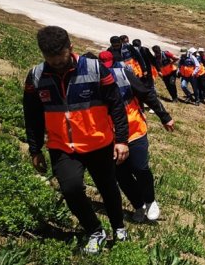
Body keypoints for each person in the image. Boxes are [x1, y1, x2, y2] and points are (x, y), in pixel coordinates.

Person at [23, 26, 130, 254]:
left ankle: (119, 227)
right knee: (70, 189)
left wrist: (121, 140)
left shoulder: (95, 69)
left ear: (70, 48)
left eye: (60, 58)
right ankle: (95, 230)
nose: (56, 63)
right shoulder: (36, 76)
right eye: (50, 59)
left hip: (98, 143)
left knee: (108, 188)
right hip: (62, 147)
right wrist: (35, 149)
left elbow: (117, 106)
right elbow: (31, 115)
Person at [99, 51, 174, 223]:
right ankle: (138, 205)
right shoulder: (92, 82)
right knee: (122, 175)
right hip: (111, 138)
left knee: (140, 168)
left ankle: (150, 201)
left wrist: (164, 116)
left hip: (134, 130)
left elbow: (146, 93)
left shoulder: (123, 74)